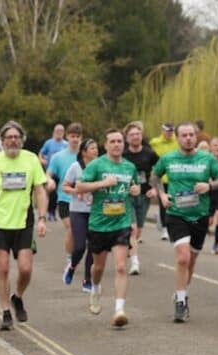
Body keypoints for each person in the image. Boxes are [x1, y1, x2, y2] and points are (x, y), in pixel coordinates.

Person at [0, 121, 49, 331]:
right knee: (3, 268)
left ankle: (17, 297)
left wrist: (42, 218)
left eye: (17, 137)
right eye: (9, 137)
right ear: (2, 141)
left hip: (24, 222)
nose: (13, 140)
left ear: (22, 140)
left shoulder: (31, 159)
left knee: (25, 269)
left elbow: (40, 191)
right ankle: (6, 311)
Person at [151, 122, 218, 322]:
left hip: (200, 215)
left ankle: (181, 291)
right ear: (178, 138)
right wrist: (162, 195)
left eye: (191, 135)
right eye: (184, 135)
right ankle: (181, 302)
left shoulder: (207, 159)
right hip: (176, 214)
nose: (189, 138)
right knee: (182, 258)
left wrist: (209, 186)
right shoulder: (168, 158)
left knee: (191, 261)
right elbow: (155, 176)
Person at [74, 128, 141, 327]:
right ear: (106, 145)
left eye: (119, 141)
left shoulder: (129, 167)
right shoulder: (96, 165)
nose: (116, 145)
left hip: (122, 222)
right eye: (112, 141)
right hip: (99, 224)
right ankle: (95, 287)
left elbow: (136, 186)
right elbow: (79, 187)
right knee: (99, 267)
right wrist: (103, 183)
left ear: (124, 144)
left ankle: (119, 310)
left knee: (120, 266)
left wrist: (136, 190)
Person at [59, 138, 98, 292]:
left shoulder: (101, 167)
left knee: (93, 247)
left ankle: (87, 280)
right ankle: (72, 267)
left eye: (96, 148)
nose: (95, 150)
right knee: (80, 246)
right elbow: (64, 186)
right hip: (78, 211)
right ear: (84, 152)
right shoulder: (76, 167)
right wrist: (77, 191)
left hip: (96, 212)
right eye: (92, 148)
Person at [47, 122, 83, 284]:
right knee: (71, 229)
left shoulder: (87, 156)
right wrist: (49, 181)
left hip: (84, 201)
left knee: (83, 234)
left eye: (78, 136)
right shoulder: (58, 157)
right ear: (67, 137)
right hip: (65, 199)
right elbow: (48, 173)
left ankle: (79, 255)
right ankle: (70, 259)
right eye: (72, 136)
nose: (75, 139)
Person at [123, 121, 160, 275]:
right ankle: (135, 262)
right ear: (127, 138)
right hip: (127, 196)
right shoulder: (123, 154)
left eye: (137, 134)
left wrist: (155, 189)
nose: (135, 137)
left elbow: (160, 170)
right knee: (132, 229)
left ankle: (129, 246)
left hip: (144, 196)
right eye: (132, 135)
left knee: (138, 231)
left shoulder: (149, 153)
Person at [149, 122, 179, 240]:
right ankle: (165, 229)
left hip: (174, 178)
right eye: (167, 131)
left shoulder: (177, 142)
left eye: (171, 131)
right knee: (163, 204)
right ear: (162, 131)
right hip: (160, 178)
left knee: (175, 203)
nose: (169, 133)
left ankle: (171, 225)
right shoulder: (154, 142)